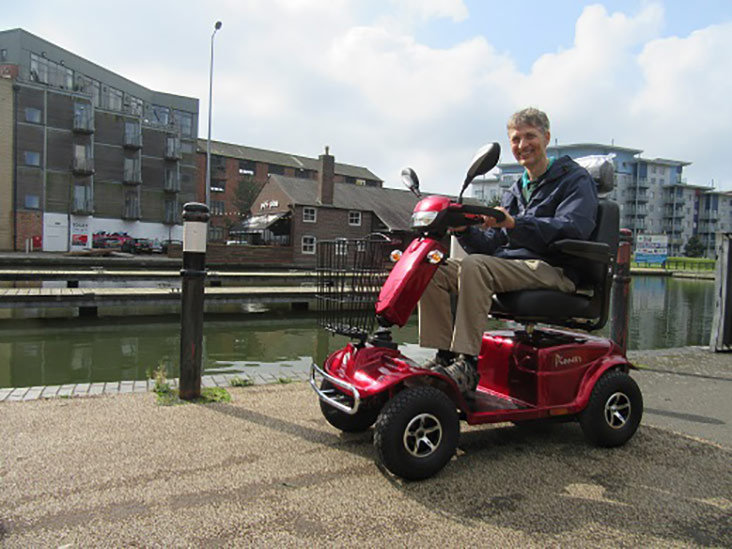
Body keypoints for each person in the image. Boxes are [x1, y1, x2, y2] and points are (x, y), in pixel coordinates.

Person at [418, 107, 598, 396]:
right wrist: (465, 231)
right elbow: (493, 245)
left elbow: (574, 228)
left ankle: (467, 364)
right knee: (432, 266)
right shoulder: (515, 189)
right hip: (512, 267)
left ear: (547, 137)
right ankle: (444, 357)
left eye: (530, 136)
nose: (522, 145)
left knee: (476, 266)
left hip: (554, 268)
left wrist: (516, 222)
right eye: (515, 139)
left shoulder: (575, 180)